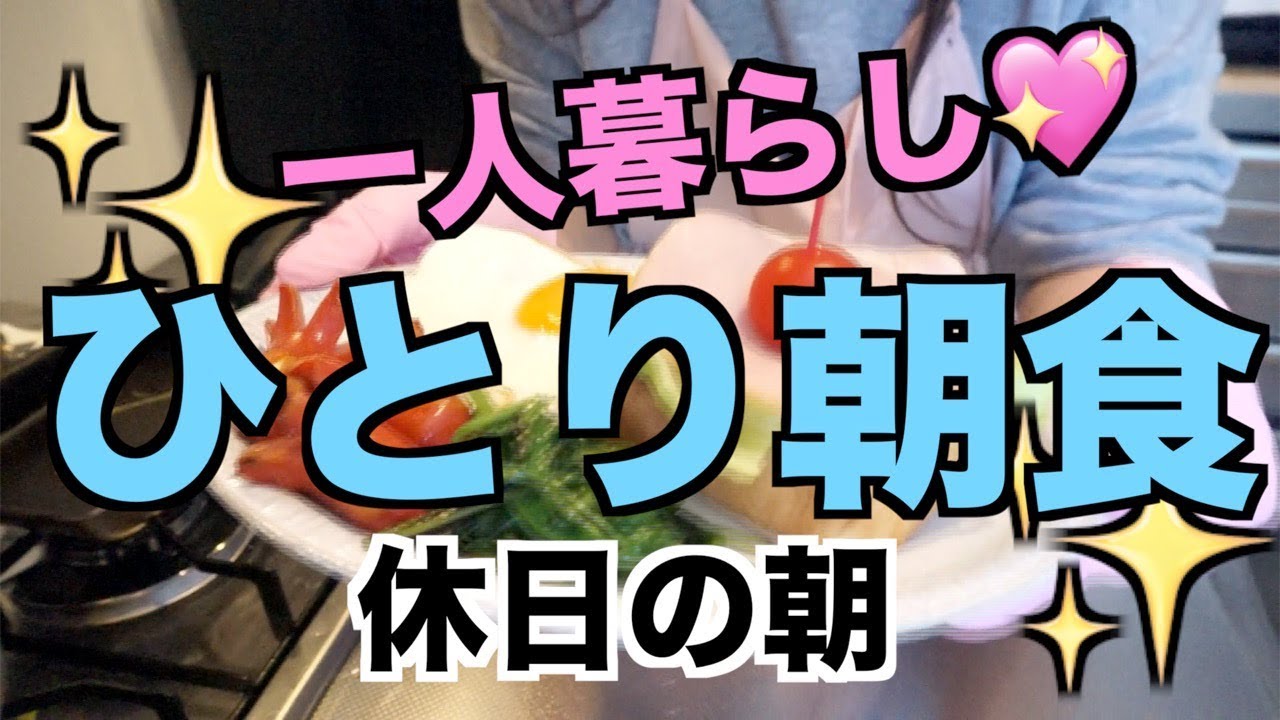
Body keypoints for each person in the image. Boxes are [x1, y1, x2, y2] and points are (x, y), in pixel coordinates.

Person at [275, 1, 1276, 715]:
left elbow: (1109, 225)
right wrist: (488, 242)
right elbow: (571, 190)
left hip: (963, 559)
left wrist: (1148, 354)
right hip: (653, 584)